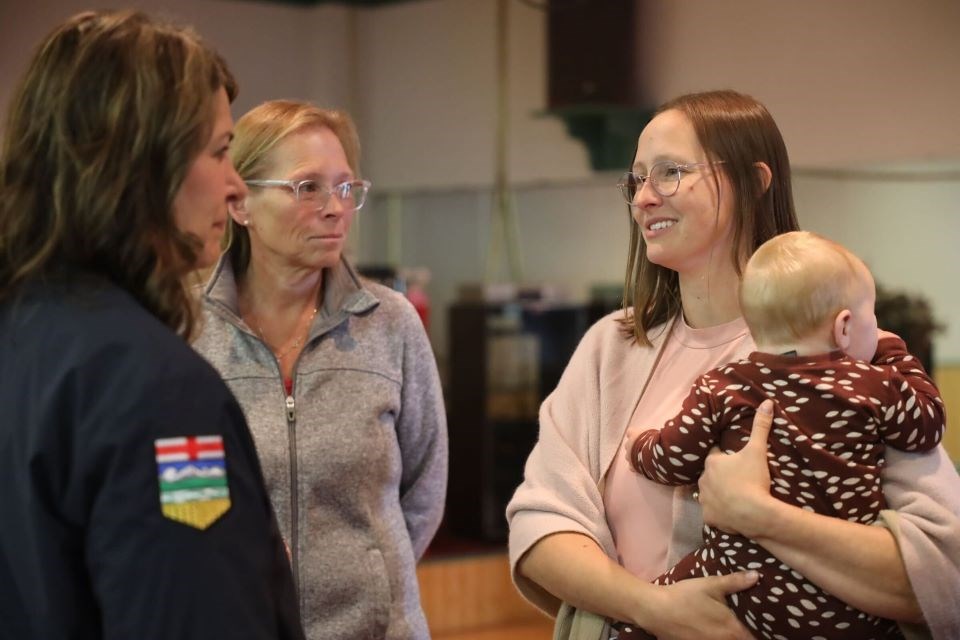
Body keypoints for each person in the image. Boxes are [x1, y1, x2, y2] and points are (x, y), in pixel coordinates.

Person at [506, 89, 960, 640]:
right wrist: (653, 608)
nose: (645, 198)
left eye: (670, 172)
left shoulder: (846, 352)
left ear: (754, 181)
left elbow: (943, 573)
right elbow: (540, 523)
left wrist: (759, 515)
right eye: (637, 179)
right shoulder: (612, 346)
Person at [0, 10, 304, 640]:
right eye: (219, 151)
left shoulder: (23, 332)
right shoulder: (161, 395)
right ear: (141, 161)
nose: (233, 184)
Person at [192, 99, 448, 640]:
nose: (335, 207)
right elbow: (185, 492)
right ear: (241, 203)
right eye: (307, 187)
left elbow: (424, 490)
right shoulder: (186, 331)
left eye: (346, 188)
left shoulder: (391, 324)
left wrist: (374, 583)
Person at [624, 230, 945, 639]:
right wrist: (896, 352)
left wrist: (639, 445)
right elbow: (927, 425)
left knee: (646, 613)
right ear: (844, 328)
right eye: (873, 316)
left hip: (747, 590)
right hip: (852, 610)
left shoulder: (721, 386)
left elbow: (673, 461)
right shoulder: (875, 385)